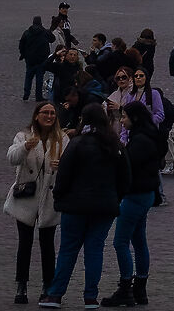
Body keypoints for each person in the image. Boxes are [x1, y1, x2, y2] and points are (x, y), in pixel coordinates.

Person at [37, 101, 128, 306]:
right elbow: (125, 178)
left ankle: (55, 294)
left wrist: (59, 198)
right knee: (94, 250)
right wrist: (115, 198)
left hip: (75, 205)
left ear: (84, 120)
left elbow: (64, 175)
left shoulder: (77, 143)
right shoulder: (115, 146)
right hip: (104, 206)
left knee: (68, 249)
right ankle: (90, 297)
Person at [102, 100, 164, 304]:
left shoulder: (140, 141)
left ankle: (125, 288)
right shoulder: (147, 136)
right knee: (138, 240)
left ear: (135, 118)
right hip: (145, 194)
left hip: (135, 195)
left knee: (120, 242)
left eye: (124, 117)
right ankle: (140, 289)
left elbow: (126, 165)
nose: (122, 120)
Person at [7, 101, 64, 305]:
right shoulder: (23, 136)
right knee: (24, 242)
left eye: (52, 113)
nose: (49, 116)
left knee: (47, 244)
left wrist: (62, 166)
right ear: (36, 115)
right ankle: (21, 284)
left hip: (49, 197)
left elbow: (72, 164)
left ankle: (48, 285)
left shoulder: (62, 139)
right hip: (27, 196)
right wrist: (25, 147)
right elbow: (11, 158)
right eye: (45, 113)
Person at [20, 15, 55, 104]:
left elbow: (21, 44)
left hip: (30, 59)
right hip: (41, 59)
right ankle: (38, 96)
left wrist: (23, 55)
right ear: (40, 22)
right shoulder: (45, 32)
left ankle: (26, 94)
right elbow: (52, 39)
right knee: (39, 78)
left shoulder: (27, 32)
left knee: (28, 76)